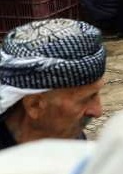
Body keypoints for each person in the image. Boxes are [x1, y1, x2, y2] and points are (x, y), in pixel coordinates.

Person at [0, 18, 105, 150]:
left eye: (96, 94)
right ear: (34, 105)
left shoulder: (68, 140)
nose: (98, 111)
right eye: (85, 99)